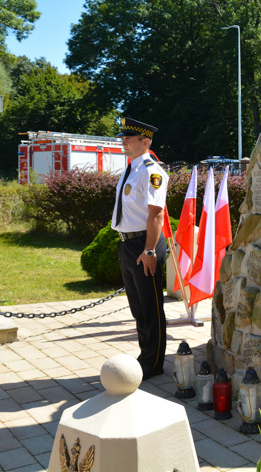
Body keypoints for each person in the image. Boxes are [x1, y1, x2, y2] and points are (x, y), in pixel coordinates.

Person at [111, 117, 169, 379]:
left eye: (129, 138)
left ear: (145, 142)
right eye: (123, 137)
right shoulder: (130, 169)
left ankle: (154, 363)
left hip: (145, 243)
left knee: (151, 307)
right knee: (137, 307)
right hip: (127, 243)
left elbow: (156, 215)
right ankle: (145, 354)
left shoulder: (152, 171)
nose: (123, 141)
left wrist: (149, 251)